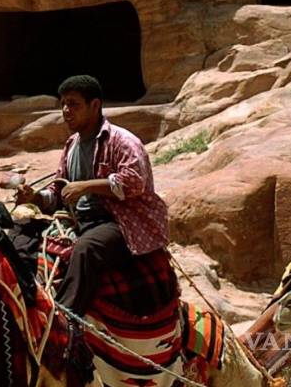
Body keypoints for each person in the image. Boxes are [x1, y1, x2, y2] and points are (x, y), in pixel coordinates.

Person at [17, 74, 177, 317]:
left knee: (86, 249)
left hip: (121, 222)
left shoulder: (122, 141)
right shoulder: (72, 144)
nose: (66, 110)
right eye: (63, 104)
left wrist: (86, 186)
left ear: (95, 105)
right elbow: (59, 191)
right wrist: (35, 198)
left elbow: (134, 182)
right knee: (20, 232)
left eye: (73, 104)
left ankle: (65, 317)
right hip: (81, 219)